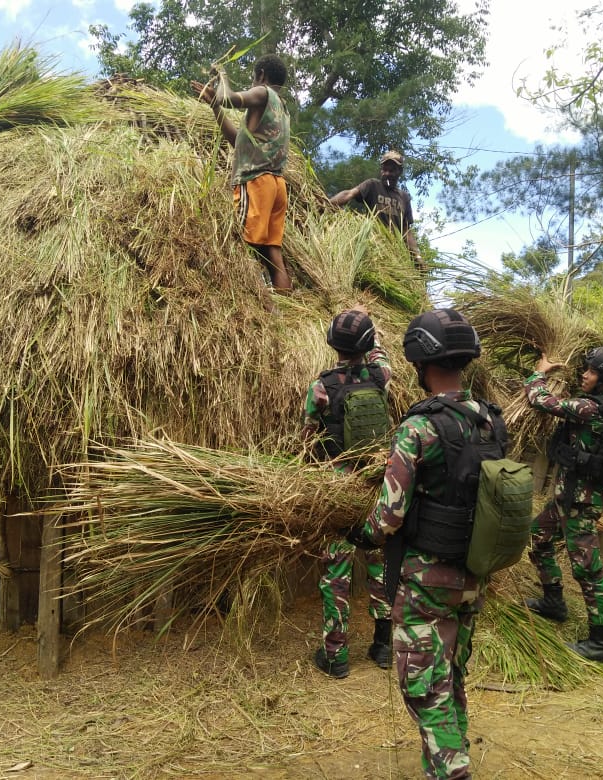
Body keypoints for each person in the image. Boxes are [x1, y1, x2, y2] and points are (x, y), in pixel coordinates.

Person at [349, 308, 500, 780]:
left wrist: (364, 533)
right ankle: (448, 760)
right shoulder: (490, 423)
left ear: (420, 362)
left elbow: (390, 514)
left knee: (423, 687)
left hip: (427, 581)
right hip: (474, 574)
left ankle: (452, 771)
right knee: (450, 675)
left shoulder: (419, 427)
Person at [521, 347, 603, 662]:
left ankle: (601, 641)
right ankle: (553, 602)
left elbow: (539, 400)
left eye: (592, 371)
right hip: (567, 499)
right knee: (537, 539)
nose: (585, 374)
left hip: (578, 504)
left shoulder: (590, 409)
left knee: (587, 569)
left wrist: (539, 372)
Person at [302, 306, 394, 678]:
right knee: (380, 566)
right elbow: (380, 353)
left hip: (339, 489)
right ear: (368, 344)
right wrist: (366, 321)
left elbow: (308, 438)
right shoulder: (381, 374)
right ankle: (384, 646)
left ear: (332, 345)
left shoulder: (322, 386)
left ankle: (336, 655)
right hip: (376, 485)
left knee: (336, 571)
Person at [191, 55, 293, 293]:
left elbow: (228, 97)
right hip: (277, 186)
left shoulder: (263, 93)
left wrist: (222, 75)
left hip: (256, 183)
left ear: (262, 75)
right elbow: (238, 140)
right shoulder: (281, 109)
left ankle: (265, 307)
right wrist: (214, 106)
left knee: (244, 243)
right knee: (272, 251)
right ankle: (287, 306)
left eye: (254, 77)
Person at [330, 151, 424, 271]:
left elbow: (406, 230)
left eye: (391, 170)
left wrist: (417, 255)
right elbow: (349, 194)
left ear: (399, 172)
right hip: (372, 247)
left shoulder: (404, 197)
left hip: (393, 253)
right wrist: (326, 204)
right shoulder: (373, 186)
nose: (386, 174)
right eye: (384, 170)